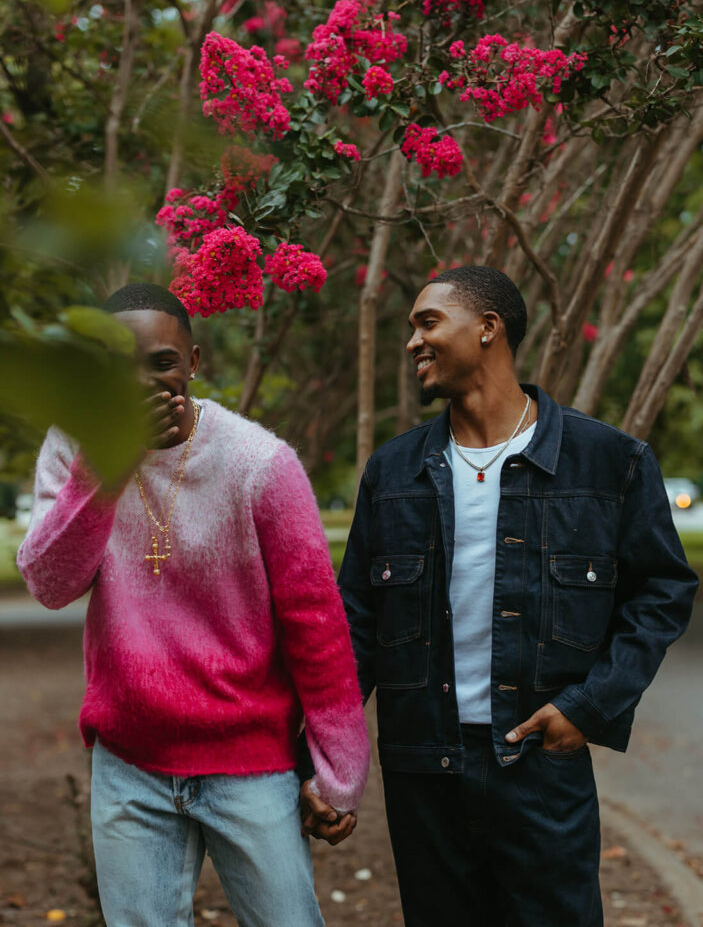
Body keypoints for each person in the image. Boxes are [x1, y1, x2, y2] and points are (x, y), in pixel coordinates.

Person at [339, 265, 698, 927]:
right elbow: (356, 620)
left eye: (427, 323)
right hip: (425, 769)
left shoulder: (606, 462)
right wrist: (327, 760)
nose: (413, 343)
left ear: (486, 328)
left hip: (539, 765)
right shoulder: (394, 472)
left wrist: (588, 707)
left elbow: (661, 591)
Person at [17, 282, 369, 927]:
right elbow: (48, 583)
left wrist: (337, 771)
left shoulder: (261, 464)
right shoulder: (75, 447)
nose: (146, 382)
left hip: (251, 764)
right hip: (129, 763)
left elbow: (316, 626)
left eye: (163, 362)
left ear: (194, 362)